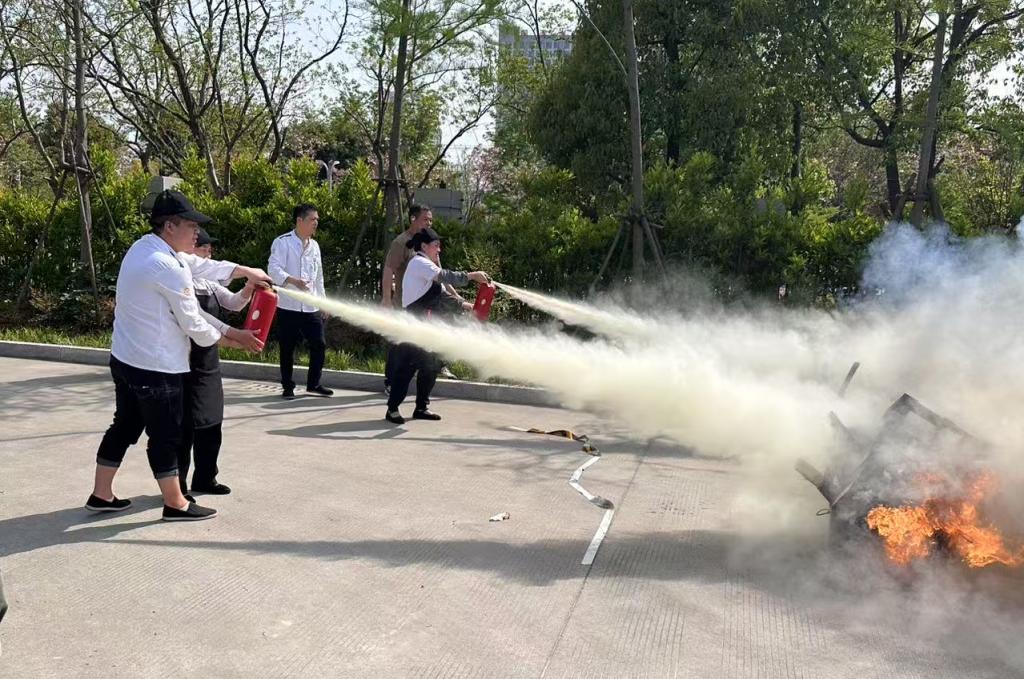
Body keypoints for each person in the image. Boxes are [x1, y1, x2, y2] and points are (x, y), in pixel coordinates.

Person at [86, 189, 266, 521]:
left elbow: (199, 264)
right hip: (156, 366)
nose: (197, 232)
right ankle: (176, 503)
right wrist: (233, 339)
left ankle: (101, 494)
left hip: (126, 359)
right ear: (170, 225)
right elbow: (193, 323)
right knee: (167, 434)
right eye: (191, 225)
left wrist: (244, 271)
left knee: (124, 426)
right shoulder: (166, 266)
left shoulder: (144, 248)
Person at [177, 228, 257, 497]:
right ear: (190, 252)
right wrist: (233, 335)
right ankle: (178, 485)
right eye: (204, 250)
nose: (209, 256)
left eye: (211, 251)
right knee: (185, 425)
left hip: (209, 361)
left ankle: (206, 477)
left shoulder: (209, 284)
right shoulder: (180, 281)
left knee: (211, 421)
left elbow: (233, 303)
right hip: (186, 360)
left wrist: (249, 287)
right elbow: (200, 318)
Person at [385, 227, 490, 424]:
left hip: (428, 325)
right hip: (415, 325)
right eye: (436, 245)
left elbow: (442, 296)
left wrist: (466, 306)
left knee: (431, 365)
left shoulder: (427, 266)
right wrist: (472, 275)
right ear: (424, 246)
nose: (439, 250)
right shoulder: (419, 263)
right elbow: (445, 276)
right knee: (408, 367)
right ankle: (392, 409)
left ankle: (421, 408)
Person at [268, 203, 332, 400]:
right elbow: (273, 269)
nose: (316, 223)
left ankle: (314, 384)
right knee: (287, 347)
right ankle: (287, 386)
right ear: (299, 220)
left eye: (317, 220)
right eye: (312, 220)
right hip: (289, 305)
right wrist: (293, 281)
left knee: (319, 344)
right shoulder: (282, 242)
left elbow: (319, 277)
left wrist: (323, 302)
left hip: (311, 306)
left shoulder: (315, 246)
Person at [381, 204, 433, 394]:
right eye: (425, 219)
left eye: (430, 220)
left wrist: (453, 295)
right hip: (404, 303)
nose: (429, 223)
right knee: (399, 342)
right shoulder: (401, 242)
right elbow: (389, 270)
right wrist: (387, 299)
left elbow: (438, 272)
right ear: (413, 219)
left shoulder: (428, 242)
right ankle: (391, 381)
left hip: (424, 304)